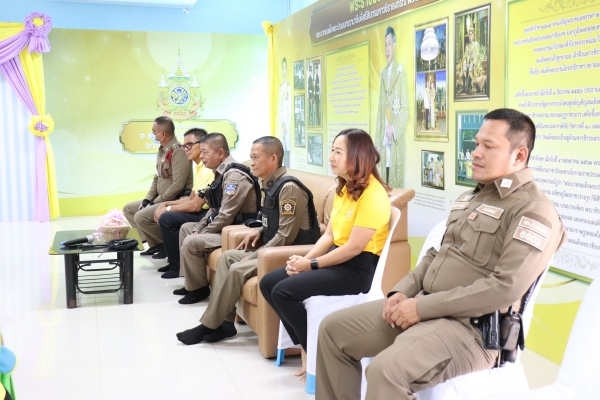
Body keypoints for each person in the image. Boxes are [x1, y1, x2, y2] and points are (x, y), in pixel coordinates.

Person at [315, 109, 568, 400]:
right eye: (476, 144)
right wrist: (402, 291)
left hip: (471, 329)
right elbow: (437, 254)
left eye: (488, 146)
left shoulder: (534, 210)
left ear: (519, 155)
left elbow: (505, 288)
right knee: (332, 331)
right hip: (425, 306)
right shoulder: (471, 198)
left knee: (386, 371)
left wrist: (421, 308)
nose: (475, 153)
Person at [260, 128, 391, 381]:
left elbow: (354, 248)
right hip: (337, 258)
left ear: (357, 156)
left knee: (283, 292)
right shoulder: (344, 188)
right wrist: (304, 260)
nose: (331, 157)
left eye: (338, 152)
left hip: (358, 270)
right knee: (269, 283)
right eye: (332, 150)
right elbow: (329, 236)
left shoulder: (373, 195)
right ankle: (306, 345)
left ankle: (316, 356)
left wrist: (311, 264)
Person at [176, 136, 320, 345]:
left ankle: (208, 325)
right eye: (251, 157)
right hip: (273, 248)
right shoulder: (270, 184)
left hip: (291, 253)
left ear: (273, 158)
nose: (251, 162)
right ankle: (225, 323)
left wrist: (253, 256)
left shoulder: (289, 188)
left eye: (255, 157)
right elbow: (278, 223)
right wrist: (260, 230)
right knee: (227, 258)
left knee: (237, 268)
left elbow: (286, 236)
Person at [174, 133, 259, 305]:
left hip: (238, 229)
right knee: (186, 228)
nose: (201, 156)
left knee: (192, 240)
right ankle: (191, 284)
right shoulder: (221, 172)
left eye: (205, 152)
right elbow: (214, 208)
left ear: (220, 153)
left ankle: (199, 290)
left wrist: (201, 233)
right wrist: (198, 228)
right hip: (225, 226)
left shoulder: (234, 176)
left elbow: (225, 215)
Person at [123, 116, 193, 257]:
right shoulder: (162, 150)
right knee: (129, 209)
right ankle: (155, 244)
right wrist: (147, 200)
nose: (152, 135)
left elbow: (178, 185)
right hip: (160, 198)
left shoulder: (178, 152)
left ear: (163, 134)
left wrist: (156, 202)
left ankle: (166, 245)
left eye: (154, 132)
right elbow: (157, 178)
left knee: (141, 216)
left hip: (174, 199)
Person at [153, 128, 214, 278]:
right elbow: (191, 198)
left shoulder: (208, 170)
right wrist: (166, 204)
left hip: (207, 213)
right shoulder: (199, 167)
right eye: (184, 145)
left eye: (189, 145)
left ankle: (177, 266)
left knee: (167, 219)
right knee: (165, 214)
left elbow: (196, 205)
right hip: (199, 209)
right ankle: (173, 262)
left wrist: (168, 209)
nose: (185, 149)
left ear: (202, 145)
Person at [375, 26, 408, 188]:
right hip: (383, 139)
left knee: (394, 185)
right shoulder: (382, 74)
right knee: (383, 184)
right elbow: (380, 110)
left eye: (389, 44)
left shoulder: (400, 72)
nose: (387, 48)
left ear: (394, 45)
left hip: (395, 141)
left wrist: (393, 128)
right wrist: (377, 143)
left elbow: (405, 109)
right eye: (385, 45)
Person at [461, 19, 485, 95]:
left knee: (471, 68)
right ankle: (465, 87)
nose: (470, 36)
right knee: (464, 68)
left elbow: (477, 56)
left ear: (473, 35)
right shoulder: (467, 46)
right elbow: (465, 57)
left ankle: (471, 87)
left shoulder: (476, 45)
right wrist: (465, 62)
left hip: (474, 64)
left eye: (471, 35)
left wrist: (472, 63)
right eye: (469, 35)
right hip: (468, 63)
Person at [279, 58, 291, 167]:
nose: (284, 71)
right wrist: (282, 123)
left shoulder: (289, 87)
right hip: (282, 124)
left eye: (285, 68)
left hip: (288, 124)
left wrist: (286, 123)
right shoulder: (281, 88)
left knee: (288, 149)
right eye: (282, 68)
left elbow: (289, 108)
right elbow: (280, 108)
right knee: (283, 149)